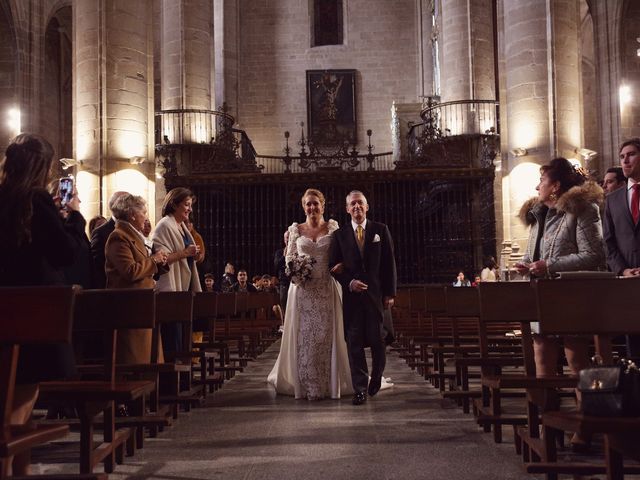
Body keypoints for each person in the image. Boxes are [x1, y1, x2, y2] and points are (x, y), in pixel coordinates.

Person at [0, 133, 84, 475]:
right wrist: (74, 217)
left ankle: (15, 468)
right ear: (41, 167)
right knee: (18, 403)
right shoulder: (36, 200)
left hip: (5, 309)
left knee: (8, 397)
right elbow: (66, 254)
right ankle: (8, 469)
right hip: (34, 314)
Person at [515, 157, 605, 450]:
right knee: (542, 361)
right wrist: (526, 265)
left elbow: (594, 255)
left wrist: (548, 265)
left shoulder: (582, 210)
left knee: (576, 361)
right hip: (542, 298)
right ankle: (548, 423)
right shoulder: (539, 214)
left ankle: (585, 425)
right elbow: (535, 255)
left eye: (541, 181)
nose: (537, 187)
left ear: (554, 186)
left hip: (570, 297)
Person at [268, 188, 353, 400]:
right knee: (305, 338)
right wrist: (295, 274)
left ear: (323, 205)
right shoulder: (295, 230)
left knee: (327, 337)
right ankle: (307, 385)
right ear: (303, 206)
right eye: (308, 203)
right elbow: (288, 260)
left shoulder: (333, 227)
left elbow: (344, 253)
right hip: (303, 293)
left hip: (326, 288)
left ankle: (329, 383)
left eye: (316, 203)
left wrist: (342, 264)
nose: (312, 207)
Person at [329, 190, 397, 405]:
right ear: (347, 209)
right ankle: (360, 388)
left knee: (378, 341)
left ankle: (375, 377)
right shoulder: (339, 236)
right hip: (352, 299)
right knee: (354, 344)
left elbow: (389, 263)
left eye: (360, 203)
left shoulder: (380, 230)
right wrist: (349, 282)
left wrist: (390, 293)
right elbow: (333, 267)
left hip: (376, 296)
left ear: (366, 207)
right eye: (353, 204)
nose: (357, 207)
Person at [105, 194, 168, 363]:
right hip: (130, 306)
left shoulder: (135, 236)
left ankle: (150, 387)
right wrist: (153, 260)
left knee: (149, 357)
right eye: (144, 212)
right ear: (132, 214)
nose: (146, 217)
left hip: (143, 304)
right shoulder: (119, 237)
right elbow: (130, 271)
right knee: (134, 358)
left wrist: (158, 262)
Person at [152, 187, 202, 356]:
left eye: (191, 205)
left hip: (182, 288)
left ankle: (181, 379)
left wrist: (192, 254)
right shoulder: (165, 225)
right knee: (173, 339)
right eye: (187, 204)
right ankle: (171, 381)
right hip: (171, 290)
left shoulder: (181, 226)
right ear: (174, 204)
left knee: (182, 338)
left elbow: (184, 253)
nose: (190, 209)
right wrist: (186, 253)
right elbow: (162, 259)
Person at [603, 138, 640, 357]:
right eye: (622, 157)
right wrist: (623, 270)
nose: (626, 160)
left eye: (631, 154)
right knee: (634, 352)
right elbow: (609, 242)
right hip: (628, 284)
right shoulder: (613, 199)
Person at [90, 190, 128, 288]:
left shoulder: (135, 229)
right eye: (128, 202)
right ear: (118, 206)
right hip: (111, 290)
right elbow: (97, 266)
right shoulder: (100, 232)